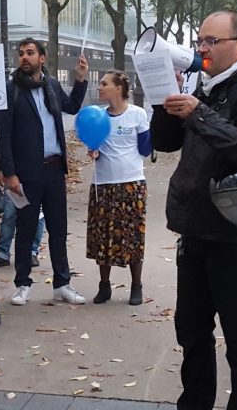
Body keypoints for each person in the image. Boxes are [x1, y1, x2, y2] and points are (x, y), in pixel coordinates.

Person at [151, 10, 237, 410]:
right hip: (197, 232)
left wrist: (199, 113)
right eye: (200, 41)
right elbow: (165, 142)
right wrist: (165, 98)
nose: (202, 49)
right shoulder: (207, 89)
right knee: (192, 333)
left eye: (212, 41)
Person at [0, 38, 89, 307]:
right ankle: (22, 284)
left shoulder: (51, 85)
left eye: (30, 53)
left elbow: (71, 106)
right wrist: (9, 172)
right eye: (21, 53)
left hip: (54, 169)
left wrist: (80, 79)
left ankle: (62, 284)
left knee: (58, 229)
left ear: (42, 58)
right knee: (25, 229)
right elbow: (5, 135)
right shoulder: (11, 90)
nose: (24, 57)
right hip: (26, 173)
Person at [86, 70, 152, 305]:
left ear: (118, 89)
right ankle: (104, 285)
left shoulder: (137, 114)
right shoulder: (97, 118)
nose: (99, 87)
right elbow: (95, 147)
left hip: (131, 184)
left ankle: (136, 285)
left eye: (104, 84)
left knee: (133, 236)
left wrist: (149, 134)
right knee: (102, 236)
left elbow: (145, 149)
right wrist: (93, 150)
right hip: (103, 184)